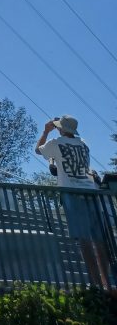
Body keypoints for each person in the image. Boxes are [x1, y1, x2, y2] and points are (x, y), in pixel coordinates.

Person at [36, 115, 111, 289]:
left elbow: (38, 150)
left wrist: (46, 131)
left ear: (61, 129)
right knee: (98, 240)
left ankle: (96, 283)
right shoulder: (84, 144)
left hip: (72, 192)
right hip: (91, 191)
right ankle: (107, 281)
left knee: (84, 240)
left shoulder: (56, 142)